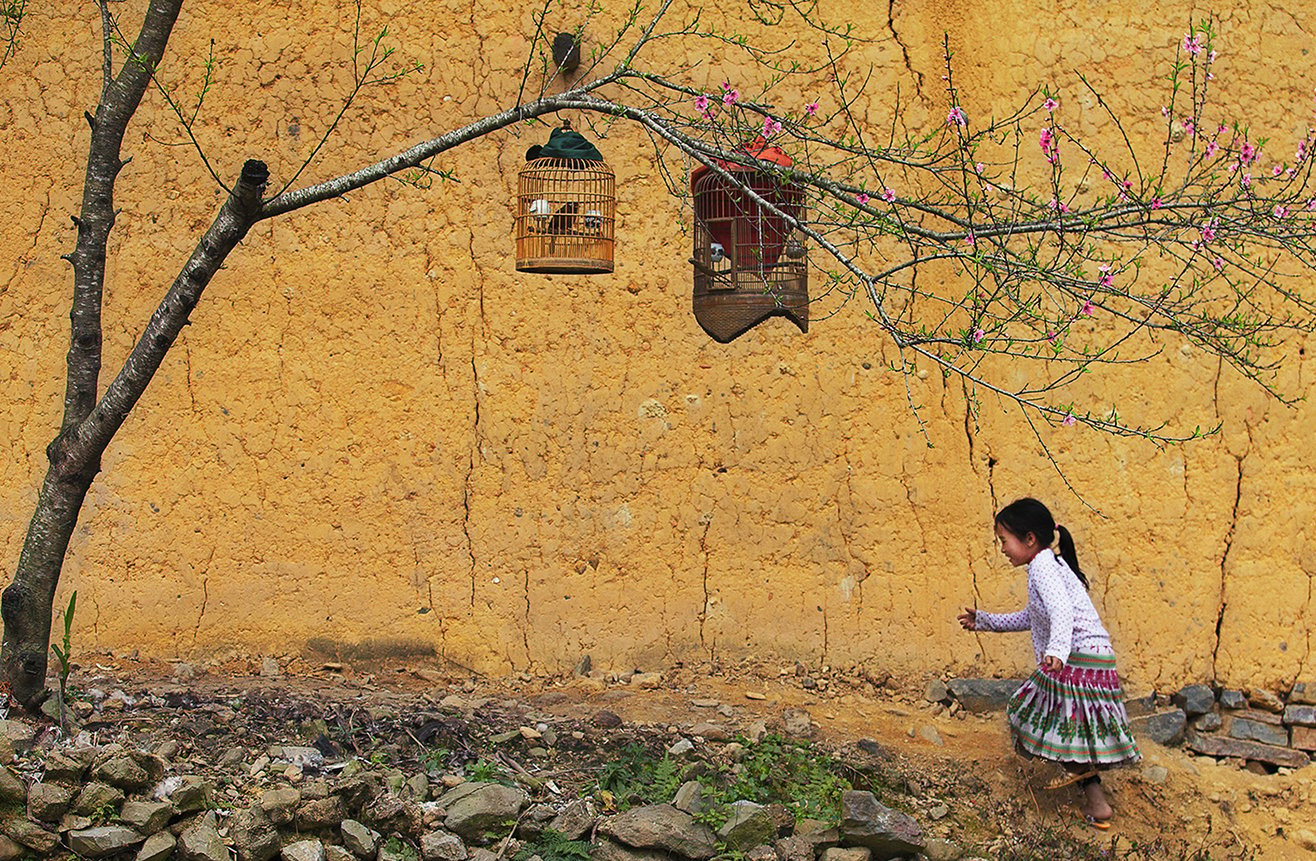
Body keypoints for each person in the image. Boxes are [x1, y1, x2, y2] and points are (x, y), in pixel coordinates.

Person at [957, 497, 1140, 830]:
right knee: (1071, 736)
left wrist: (1056, 650)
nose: (1002, 549)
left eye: (1004, 541)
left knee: (1025, 709)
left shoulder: (1043, 565)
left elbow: (1062, 613)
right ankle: (1097, 804)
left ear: (1029, 539)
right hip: (1091, 657)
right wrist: (984, 620)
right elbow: (1033, 616)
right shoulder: (1046, 565)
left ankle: (1075, 774)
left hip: (1078, 657)